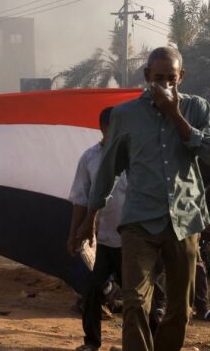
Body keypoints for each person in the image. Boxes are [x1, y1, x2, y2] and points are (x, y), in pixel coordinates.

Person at [79, 46, 210, 350]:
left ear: (182, 77)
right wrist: (91, 217)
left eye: (172, 79)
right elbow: (108, 168)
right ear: (147, 75)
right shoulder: (126, 115)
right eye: (159, 78)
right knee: (135, 301)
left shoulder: (197, 109)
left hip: (185, 218)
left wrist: (175, 116)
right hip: (139, 220)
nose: (165, 85)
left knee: (181, 307)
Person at [66, 107, 125, 351]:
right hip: (99, 240)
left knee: (138, 297)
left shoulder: (135, 156)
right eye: (116, 126)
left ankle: (140, 343)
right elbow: (80, 198)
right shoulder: (90, 158)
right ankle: (92, 342)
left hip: (131, 240)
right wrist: (73, 234)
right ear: (103, 128)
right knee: (91, 291)